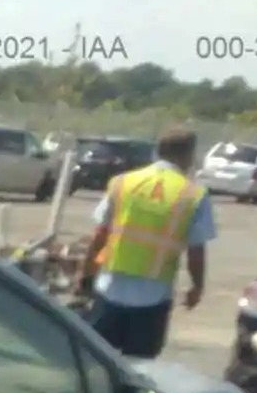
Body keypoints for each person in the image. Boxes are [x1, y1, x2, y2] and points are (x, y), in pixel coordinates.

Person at [80, 127, 215, 359]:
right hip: (153, 298)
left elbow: (100, 235)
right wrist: (197, 287)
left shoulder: (122, 183)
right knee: (139, 369)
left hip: (109, 289)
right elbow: (196, 250)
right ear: (188, 155)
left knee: (96, 364)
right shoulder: (194, 195)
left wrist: (85, 275)